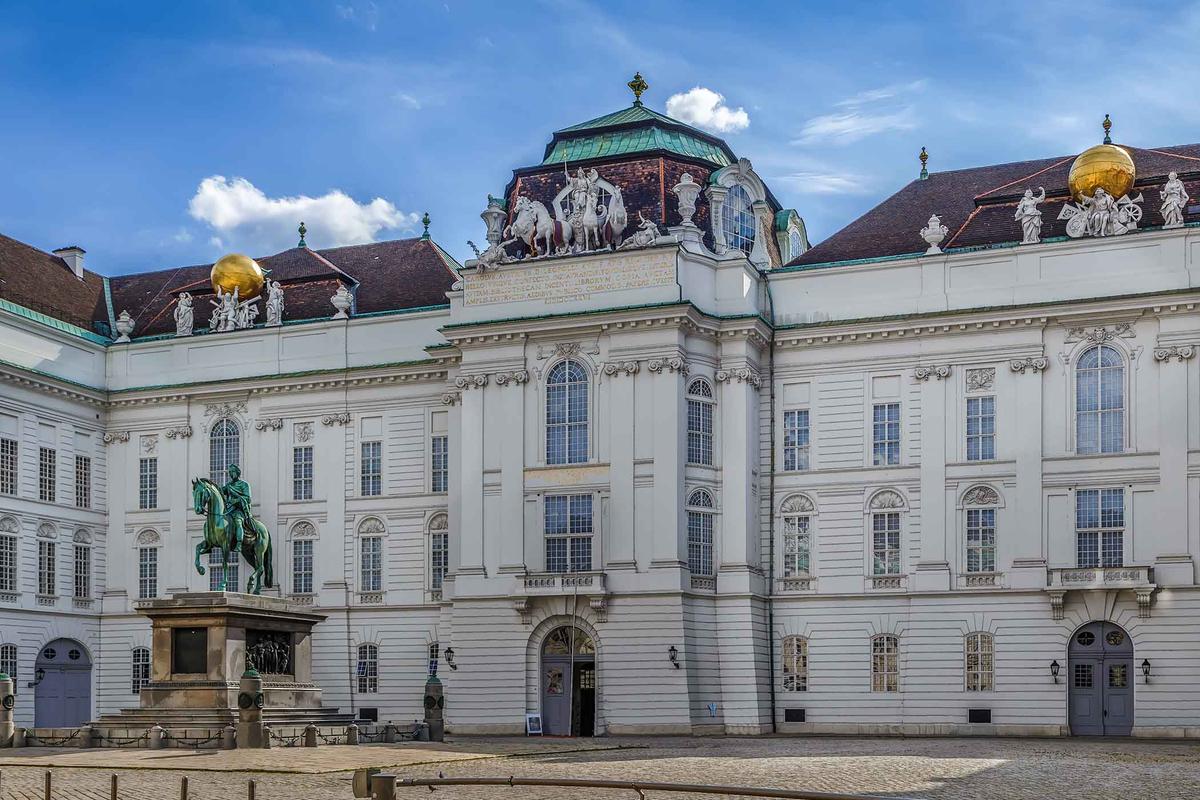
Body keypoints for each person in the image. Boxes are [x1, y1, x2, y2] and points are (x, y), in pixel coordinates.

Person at [221, 463, 253, 552]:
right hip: (228, 510)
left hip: (239, 510)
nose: (231, 474)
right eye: (230, 472)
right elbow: (220, 491)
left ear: (237, 473)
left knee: (238, 522)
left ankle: (239, 543)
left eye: (233, 472)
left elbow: (248, 498)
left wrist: (236, 501)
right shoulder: (228, 485)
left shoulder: (244, 485)